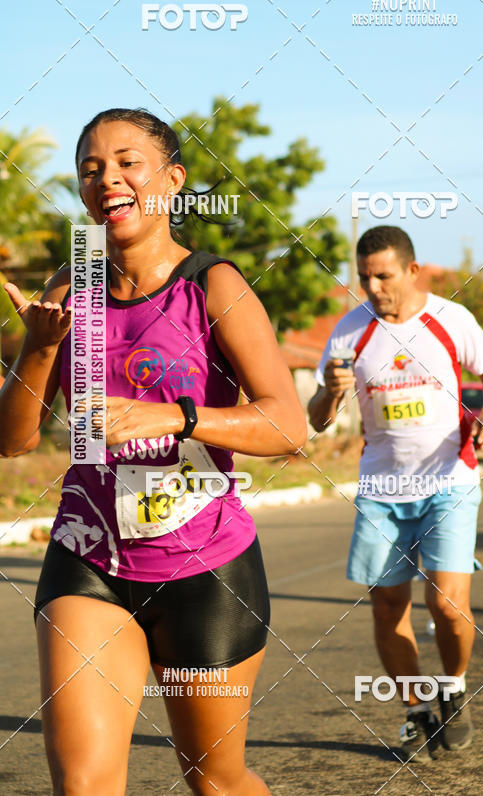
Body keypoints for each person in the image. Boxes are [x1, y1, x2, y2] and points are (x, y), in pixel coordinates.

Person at [0, 107, 307, 795]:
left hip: (207, 569)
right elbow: (13, 441)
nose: (108, 178)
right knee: (83, 786)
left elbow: (288, 428)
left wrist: (173, 416)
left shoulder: (213, 286)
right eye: (90, 168)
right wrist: (42, 347)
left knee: (215, 781)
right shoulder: (66, 287)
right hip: (90, 559)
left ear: (171, 180)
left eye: (127, 162)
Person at [308, 225, 483, 764]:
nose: (372, 287)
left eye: (383, 276)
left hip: (448, 480)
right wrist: (331, 394)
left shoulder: (450, 319)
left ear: (414, 271)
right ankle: (416, 710)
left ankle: (453, 688)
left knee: (447, 604)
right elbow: (318, 420)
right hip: (381, 487)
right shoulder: (349, 332)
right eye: (364, 277)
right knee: (388, 606)